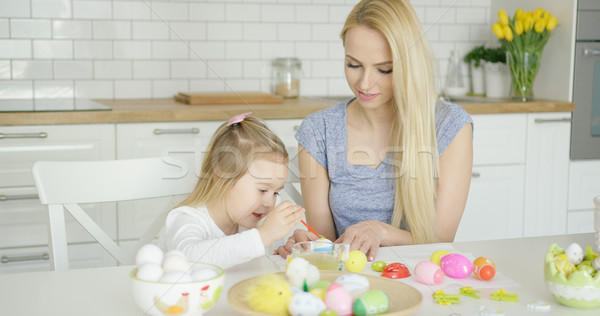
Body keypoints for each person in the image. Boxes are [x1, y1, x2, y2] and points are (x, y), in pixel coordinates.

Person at [275, 0, 473, 261]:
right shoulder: (318, 130)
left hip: (422, 276)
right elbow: (327, 243)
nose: (365, 83)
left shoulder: (450, 125)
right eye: (353, 65)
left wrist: (381, 232)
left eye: (384, 69)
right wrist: (308, 245)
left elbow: (441, 239)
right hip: (351, 281)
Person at [158, 112, 305, 269]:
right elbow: (186, 259)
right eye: (262, 190)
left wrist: (295, 243)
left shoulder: (256, 215)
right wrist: (263, 236)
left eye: (276, 192)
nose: (270, 202)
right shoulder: (187, 219)